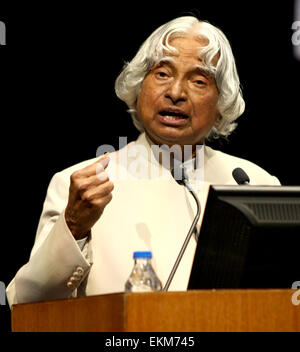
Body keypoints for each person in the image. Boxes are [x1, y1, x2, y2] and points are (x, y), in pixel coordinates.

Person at [6, 16, 280, 307]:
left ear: (221, 103)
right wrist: (73, 227)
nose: (175, 93)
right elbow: (25, 304)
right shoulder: (82, 186)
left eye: (198, 80)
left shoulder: (254, 184)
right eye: (162, 74)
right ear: (139, 86)